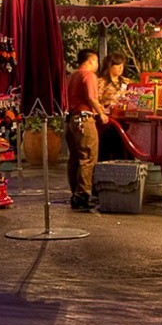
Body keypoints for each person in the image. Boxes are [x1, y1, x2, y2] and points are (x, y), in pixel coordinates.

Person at [61, 47, 107, 211]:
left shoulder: (71, 77)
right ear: (91, 60)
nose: (97, 64)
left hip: (71, 120)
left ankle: (75, 192)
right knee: (88, 157)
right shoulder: (89, 75)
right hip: (84, 119)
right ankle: (83, 194)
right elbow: (91, 98)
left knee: (74, 158)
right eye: (96, 61)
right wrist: (102, 113)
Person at [97, 52, 131, 156]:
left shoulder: (126, 81)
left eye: (122, 65)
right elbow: (96, 99)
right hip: (108, 120)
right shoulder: (101, 82)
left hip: (124, 118)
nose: (121, 68)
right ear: (110, 65)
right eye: (118, 65)